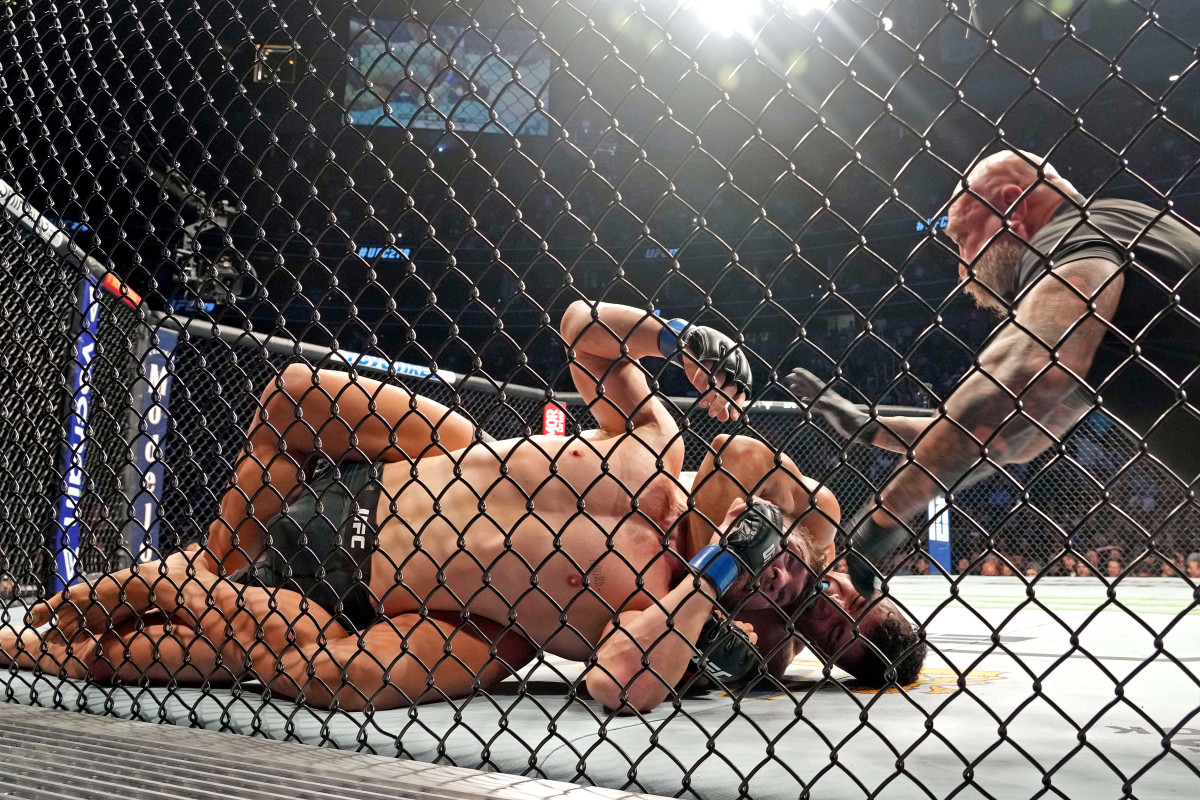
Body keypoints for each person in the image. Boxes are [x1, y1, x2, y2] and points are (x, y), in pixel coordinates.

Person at [1, 300, 924, 712]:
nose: (824, 603)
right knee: (291, 392)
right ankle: (200, 571)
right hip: (423, 467)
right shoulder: (664, 448)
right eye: (848, 596)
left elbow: (612, 684)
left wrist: (720, 578)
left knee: (314, 679)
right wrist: (673, 334)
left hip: (439, 614)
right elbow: (579, 329)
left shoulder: (719, 623)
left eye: (831, 630)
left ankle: (84, 623)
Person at [787, 149, 1200, 597]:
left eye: (964, 237)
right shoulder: (1128, 226)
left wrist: (881, 520)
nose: (964, 267)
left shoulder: (1069, 237)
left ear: (1011, 205)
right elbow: (1019, 434)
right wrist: (868, 426)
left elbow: (1021, 378)